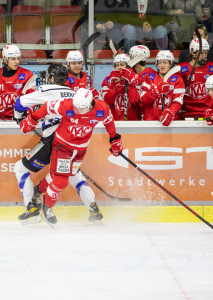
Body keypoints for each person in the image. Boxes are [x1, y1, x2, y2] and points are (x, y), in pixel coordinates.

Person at [13, 64, 103, 224]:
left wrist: (19, 117)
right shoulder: (75, 93)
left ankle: (31, 210)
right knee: (73, 175)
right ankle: (95, 213)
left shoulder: (46, 90)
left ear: (52, 78)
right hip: (74, 140)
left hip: (54, 139)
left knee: (20, 168)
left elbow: (20, 103)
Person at [19, 88, 123, 225]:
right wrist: (31, 119)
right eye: (76, 106)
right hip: (62, 146)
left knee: (65, 175)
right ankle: (47, 208)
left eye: (82, 107)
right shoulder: (67, 105)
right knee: (61, 181)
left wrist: (114, 139)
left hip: (80, 150)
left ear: (90, 102)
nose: (78, 110)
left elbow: (109, 121)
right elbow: (46, 108)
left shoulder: (101, 109)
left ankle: (38, 191)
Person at [0, 44, 36, 121]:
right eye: (13, 59)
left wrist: (26, 111)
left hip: (21, 119)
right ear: (5, 59)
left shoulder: (27, 75)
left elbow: (33, 99)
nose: (17, 61)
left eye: (18, 58)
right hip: (0, 119)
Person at [140, 50, 185, 125]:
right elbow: (143, 100)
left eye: (165, 62)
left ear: (171, 64)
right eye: (160, 62)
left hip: (170, 122)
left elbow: (177, 101)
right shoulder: (150, 77)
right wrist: (155, 92)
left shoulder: (177, 79)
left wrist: (170, 112)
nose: (162, 65)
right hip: (150, 122)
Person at [178, 38, 213, 119]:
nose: (204, 56)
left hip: (207, 112)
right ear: (192, 52)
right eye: (201, 53)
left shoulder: (211, 68)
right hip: (186, 113)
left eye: (206, 53)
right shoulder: (181, 69)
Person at [101, 53, 141, 120]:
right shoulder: (108, 80)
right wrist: (112, 87)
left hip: (132, 121)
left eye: (122, 65)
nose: (119, 67)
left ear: (128, 66)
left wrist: (131, 84)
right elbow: (108, 101)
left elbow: (134, 100)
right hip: (114, 120)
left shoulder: (136, 78)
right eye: (117, 65)